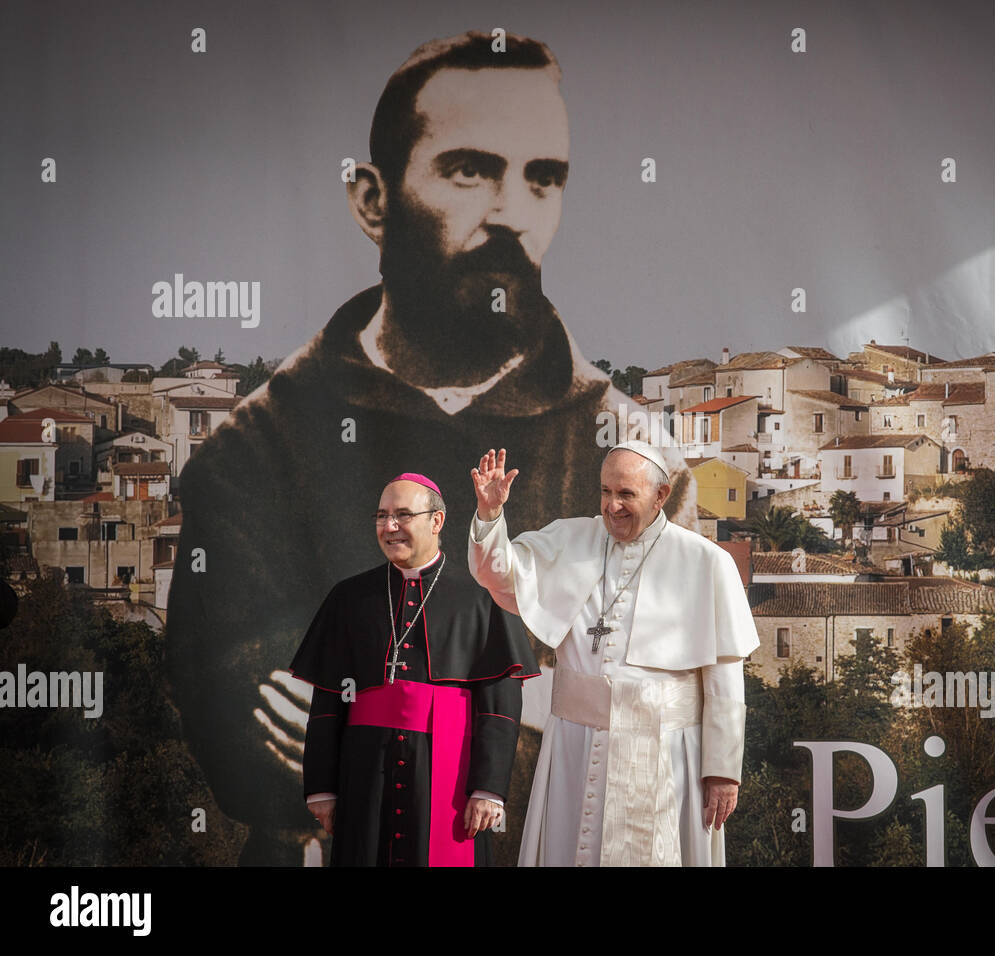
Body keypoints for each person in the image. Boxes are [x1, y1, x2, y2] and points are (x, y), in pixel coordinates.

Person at [165, 32, 694, 864]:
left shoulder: (630, 448)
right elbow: (228, 697)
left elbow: (641, 687)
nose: (512, 212)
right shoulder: (254, 445)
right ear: (373, 200)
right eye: (469, 169)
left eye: (542, 179)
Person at [467, 444, 758, 866]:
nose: (612, 506)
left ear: (661, 496)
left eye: (627, 494)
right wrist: (491, 516)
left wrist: (722, 771)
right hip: (575, 746)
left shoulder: (706, 562)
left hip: (668, 752)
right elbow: (497, 573)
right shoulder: (570, 539)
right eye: (605, 492)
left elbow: (725, 683)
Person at [289, 473, 537, 866]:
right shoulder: (349, 597)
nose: (389, 527)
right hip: (365, 771)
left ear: (436, 521)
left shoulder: (480, 597)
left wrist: (488, 788)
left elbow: (500, 704)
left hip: (448, 771)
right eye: (382, 516)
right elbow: (328, 699)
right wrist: (322, 787)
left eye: (403, 515)